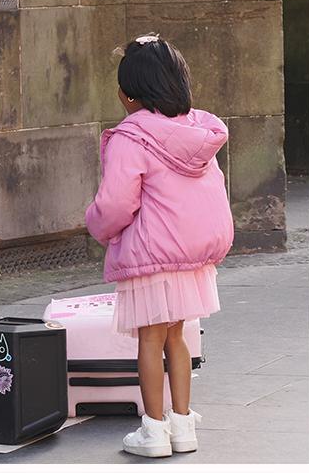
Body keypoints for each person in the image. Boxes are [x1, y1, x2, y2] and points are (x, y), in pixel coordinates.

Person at [85, 34, 234, 458]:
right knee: (178, 337)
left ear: (128, 94)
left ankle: (153, 430)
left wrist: (96, 225)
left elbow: (116, 203)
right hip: (189, 257)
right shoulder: (198, 132)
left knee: (149, 340)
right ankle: (182, 424)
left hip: (150, 254)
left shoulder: (131, 138)